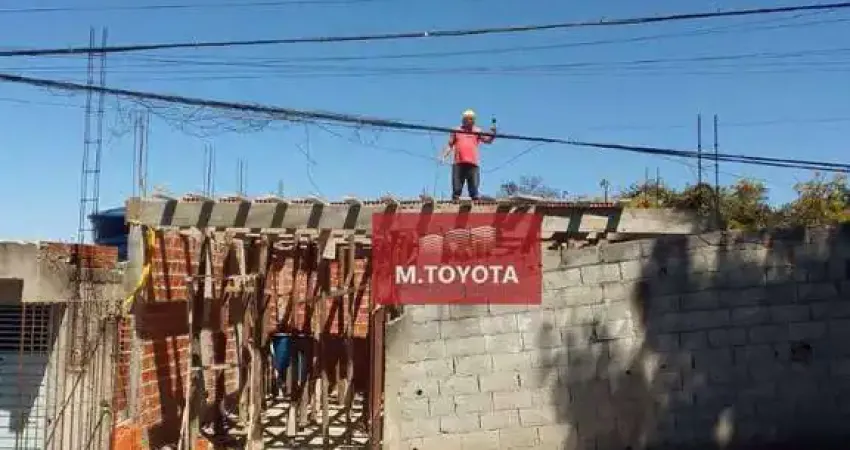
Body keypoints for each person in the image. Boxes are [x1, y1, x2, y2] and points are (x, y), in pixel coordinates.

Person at [440, 109, 496, 200]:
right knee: (456, 189)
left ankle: (475, 203)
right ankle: (455, 202)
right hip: (459, 162)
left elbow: (488, 141)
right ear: (464, 119)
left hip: (473, 163)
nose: (470, 121)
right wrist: (443, 156)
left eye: (472, 119)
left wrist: (493, 134)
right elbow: (450, 145)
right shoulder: (456, 130)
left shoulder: (477, 130)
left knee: (474, 189)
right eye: (468, 119)